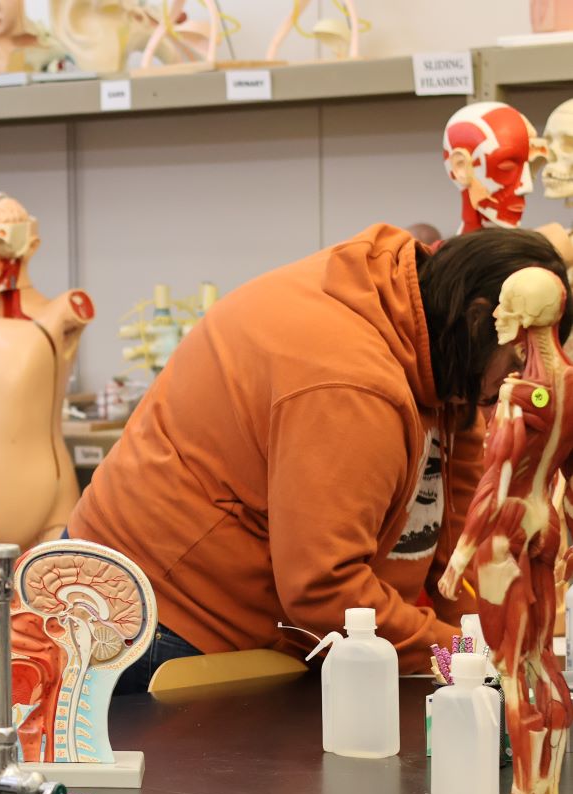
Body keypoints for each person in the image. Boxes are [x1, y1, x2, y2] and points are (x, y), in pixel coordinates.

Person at [68, 224, 571, 692]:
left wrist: (484, 643)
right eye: (516, 364)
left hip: (211, 606)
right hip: (151, 615)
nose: (520, 386)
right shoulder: (349, 382)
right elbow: (322, 590)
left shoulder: (435, 336)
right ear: (482, 319)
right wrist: (463, 660)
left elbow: (459, 525)